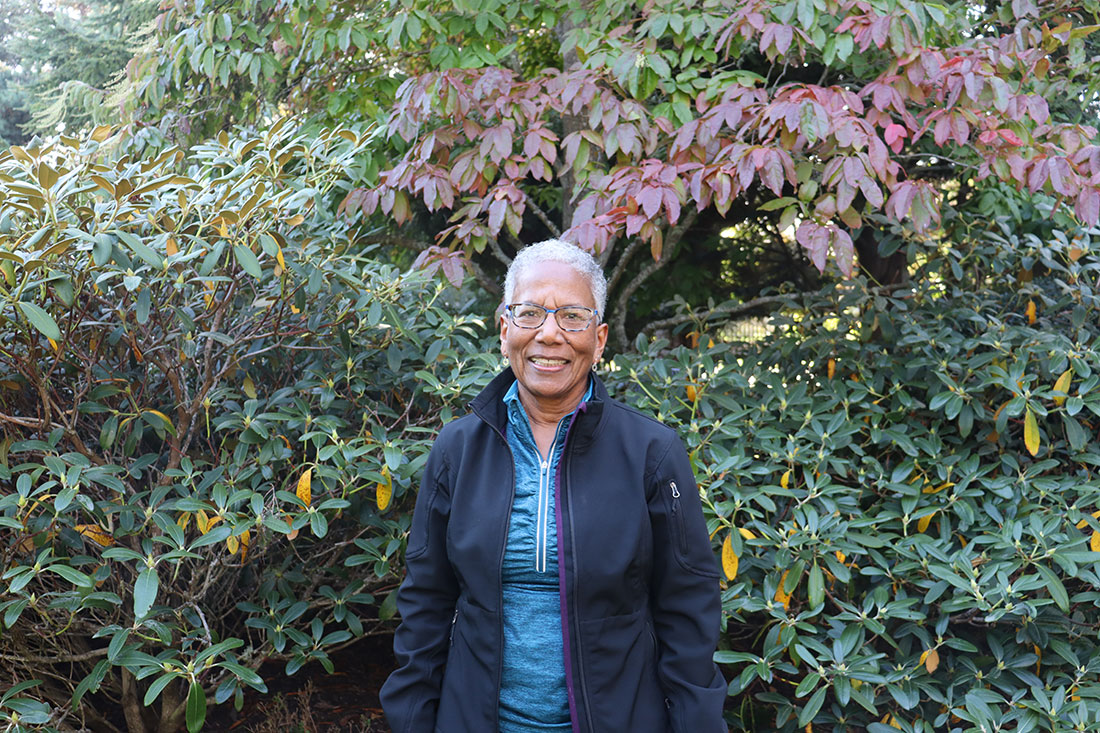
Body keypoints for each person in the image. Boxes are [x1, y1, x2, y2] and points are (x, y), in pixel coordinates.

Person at [380, 239, 727, 732]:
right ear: (505, 331)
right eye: (529, 314)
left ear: (600, 338)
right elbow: (425, 605)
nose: (548, 334)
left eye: (572, 316)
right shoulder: (457, 450)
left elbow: (687, 612)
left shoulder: (652, 454)